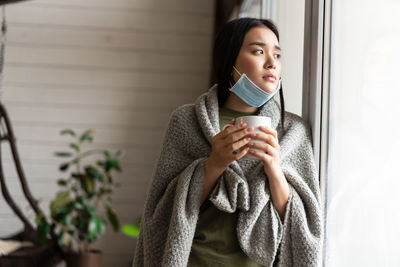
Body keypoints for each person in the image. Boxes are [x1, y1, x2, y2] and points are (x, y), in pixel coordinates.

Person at [133, 18, 322, 267]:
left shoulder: (293, 132)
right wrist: (214, 164)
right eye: (258, 51)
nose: (271, 63)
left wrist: (275, 169)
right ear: (229, 59)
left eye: (277, 55)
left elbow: (304, 221)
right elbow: (161, 210)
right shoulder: (187, 121)